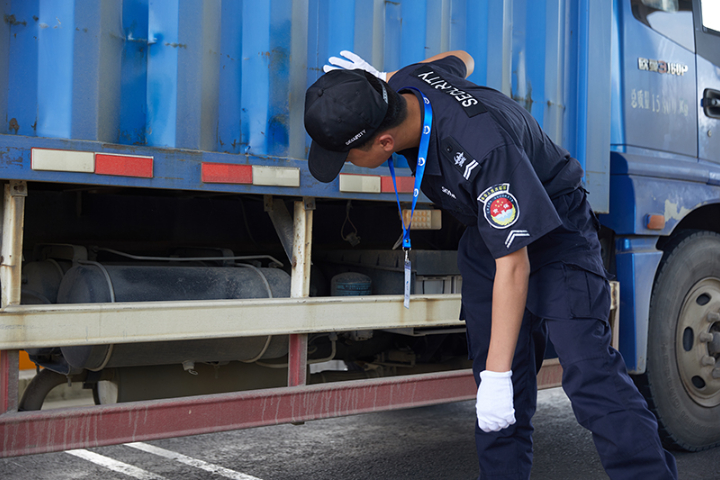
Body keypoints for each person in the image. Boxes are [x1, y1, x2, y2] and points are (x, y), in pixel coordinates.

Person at [303, 50, 678, 479]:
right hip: (488, 236)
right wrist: (379, 78)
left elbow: (514, 267)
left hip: (557, 235)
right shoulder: (407, 81)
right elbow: (462, 59)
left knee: (589, 373)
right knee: (497, 388)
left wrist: (498, 376)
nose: (345, 162)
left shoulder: (482, 146)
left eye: (347, 155)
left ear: (384, 142)